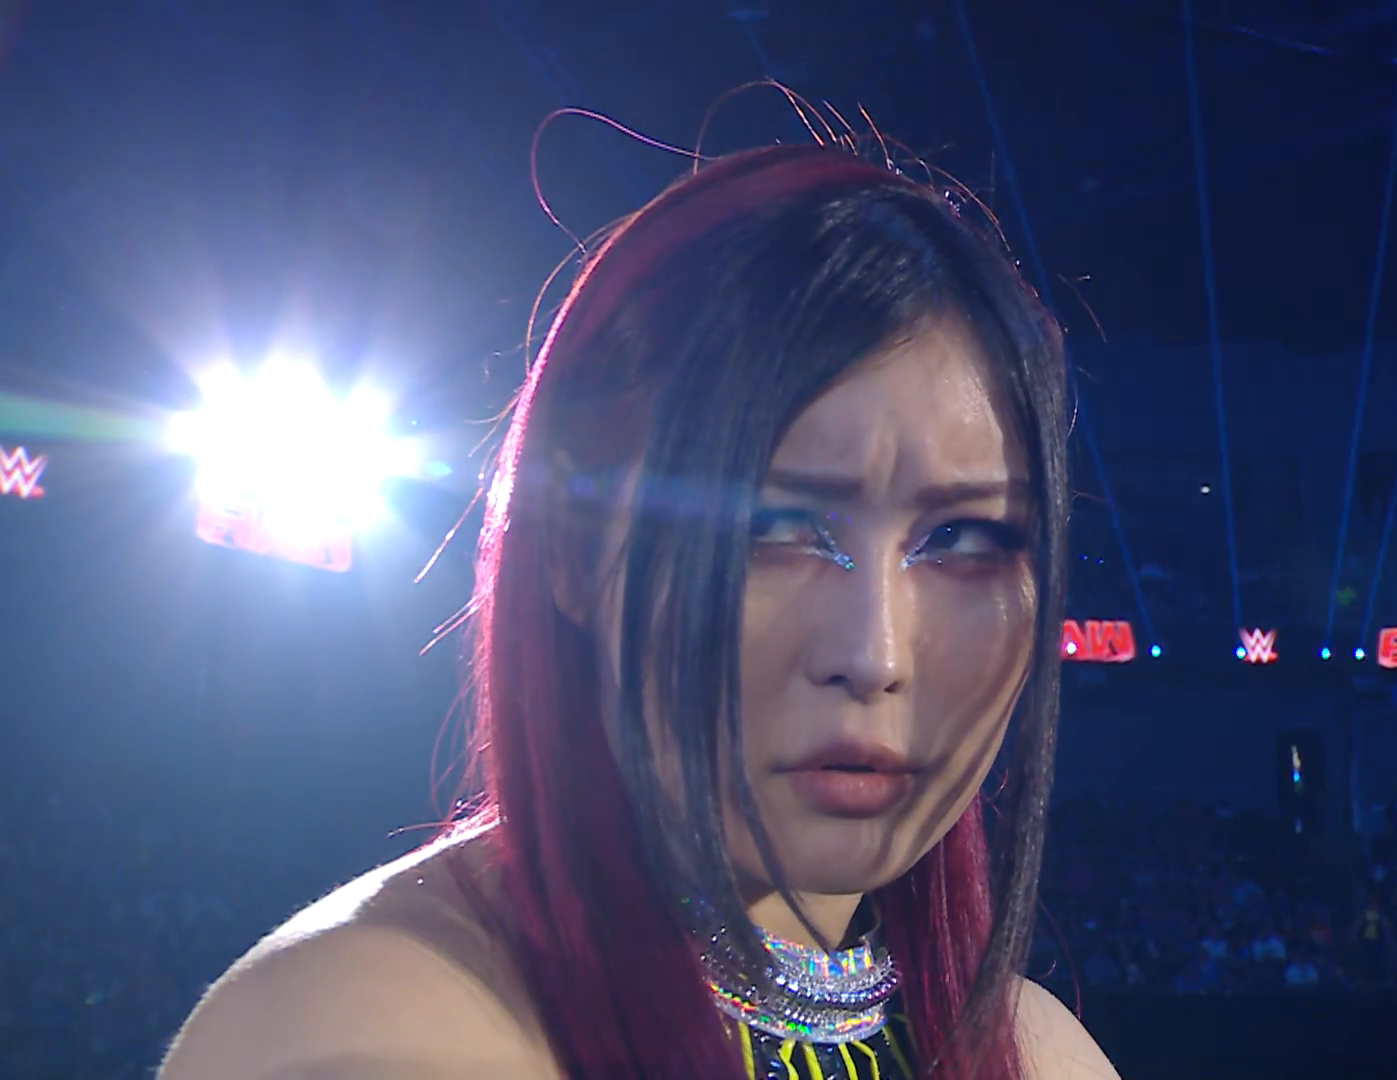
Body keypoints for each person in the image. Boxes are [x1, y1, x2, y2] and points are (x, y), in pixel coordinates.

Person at [159, 143, 1120, 1080]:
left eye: (961, 539)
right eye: (775, 527)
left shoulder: (1044, 1054)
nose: (875, 654)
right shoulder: (355, 1033)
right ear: (575, 548)